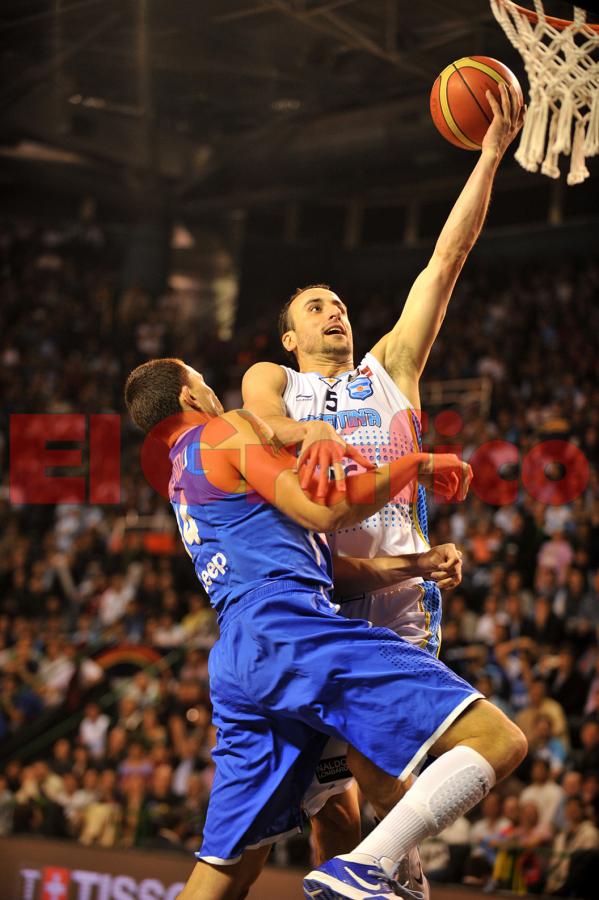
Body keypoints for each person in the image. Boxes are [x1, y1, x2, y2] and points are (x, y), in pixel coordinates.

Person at [242, 81, 525, 870]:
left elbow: (448, 255)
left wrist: (491, 155)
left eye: (338, 304)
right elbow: (264, 419)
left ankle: (383, 881)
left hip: (395, 596)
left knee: (384, 785)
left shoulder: (389, 369)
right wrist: (312, 431)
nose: (334, 312)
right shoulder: (276, 378)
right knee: (330, 809)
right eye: (315, 307)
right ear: (290, 335)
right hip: (316, 590)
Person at [124, 358, 527, 900]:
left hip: (241, 653)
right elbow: (322, 511)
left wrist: (415, 563)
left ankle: (367, 865)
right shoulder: (225, 430)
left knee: (225, 869)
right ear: (191, 398)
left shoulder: (180, 473)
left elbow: (321, 563)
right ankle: (370, 866)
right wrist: (414, 465)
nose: (213, 391)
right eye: (204, 381)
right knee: (499, 739)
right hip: (293, 630)